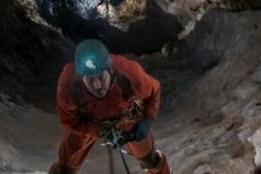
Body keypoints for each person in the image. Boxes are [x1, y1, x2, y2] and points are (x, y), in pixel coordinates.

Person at [49, 39, 170, 174]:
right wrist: (100, 131)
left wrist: (148, 119)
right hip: (88, 119)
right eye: (90, 80)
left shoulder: (130, 74)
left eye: (101, 77)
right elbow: (70, 120)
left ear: (110, 71)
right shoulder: (68, 86)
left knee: (151, 161)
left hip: (125, 115)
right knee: (64, 169)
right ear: (81, 77)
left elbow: (154, 92)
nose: (97, 85)